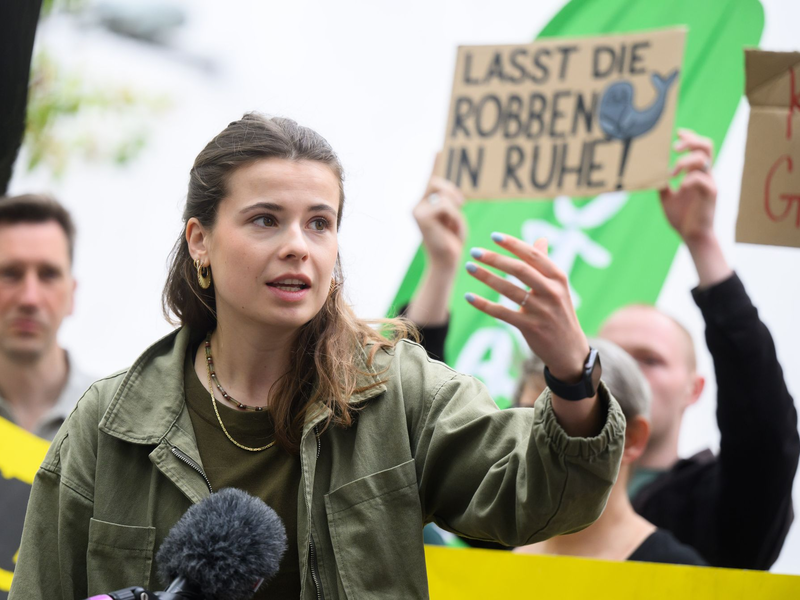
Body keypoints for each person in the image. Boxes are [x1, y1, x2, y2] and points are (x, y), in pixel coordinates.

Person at [10, 113, 625, 600]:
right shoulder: (107, 424)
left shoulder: (398, 389)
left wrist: (573, 376)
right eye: (265, 220)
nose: (297, 247)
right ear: (200, 240)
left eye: (319, 223)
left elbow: (537, 499)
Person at [599, 129, 799, 569]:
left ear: (695, 389)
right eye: (608, 355)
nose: (624, 371)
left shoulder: (721, 507)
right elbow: (425, 440)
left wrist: (702, 241)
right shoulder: (532, 497)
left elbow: (766, 431)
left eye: (650, 360)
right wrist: (442, 266)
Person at [514, 339, 706, 566]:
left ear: (631, 439)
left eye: (562, 421)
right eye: (526, 417)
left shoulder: (676, 573)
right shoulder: (501, 560)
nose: (537, 439)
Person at [0, 194, 95, 599]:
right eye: (10, 273)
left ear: (72, 292)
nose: (30, 297)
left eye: (49, 274)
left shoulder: (113, 424)